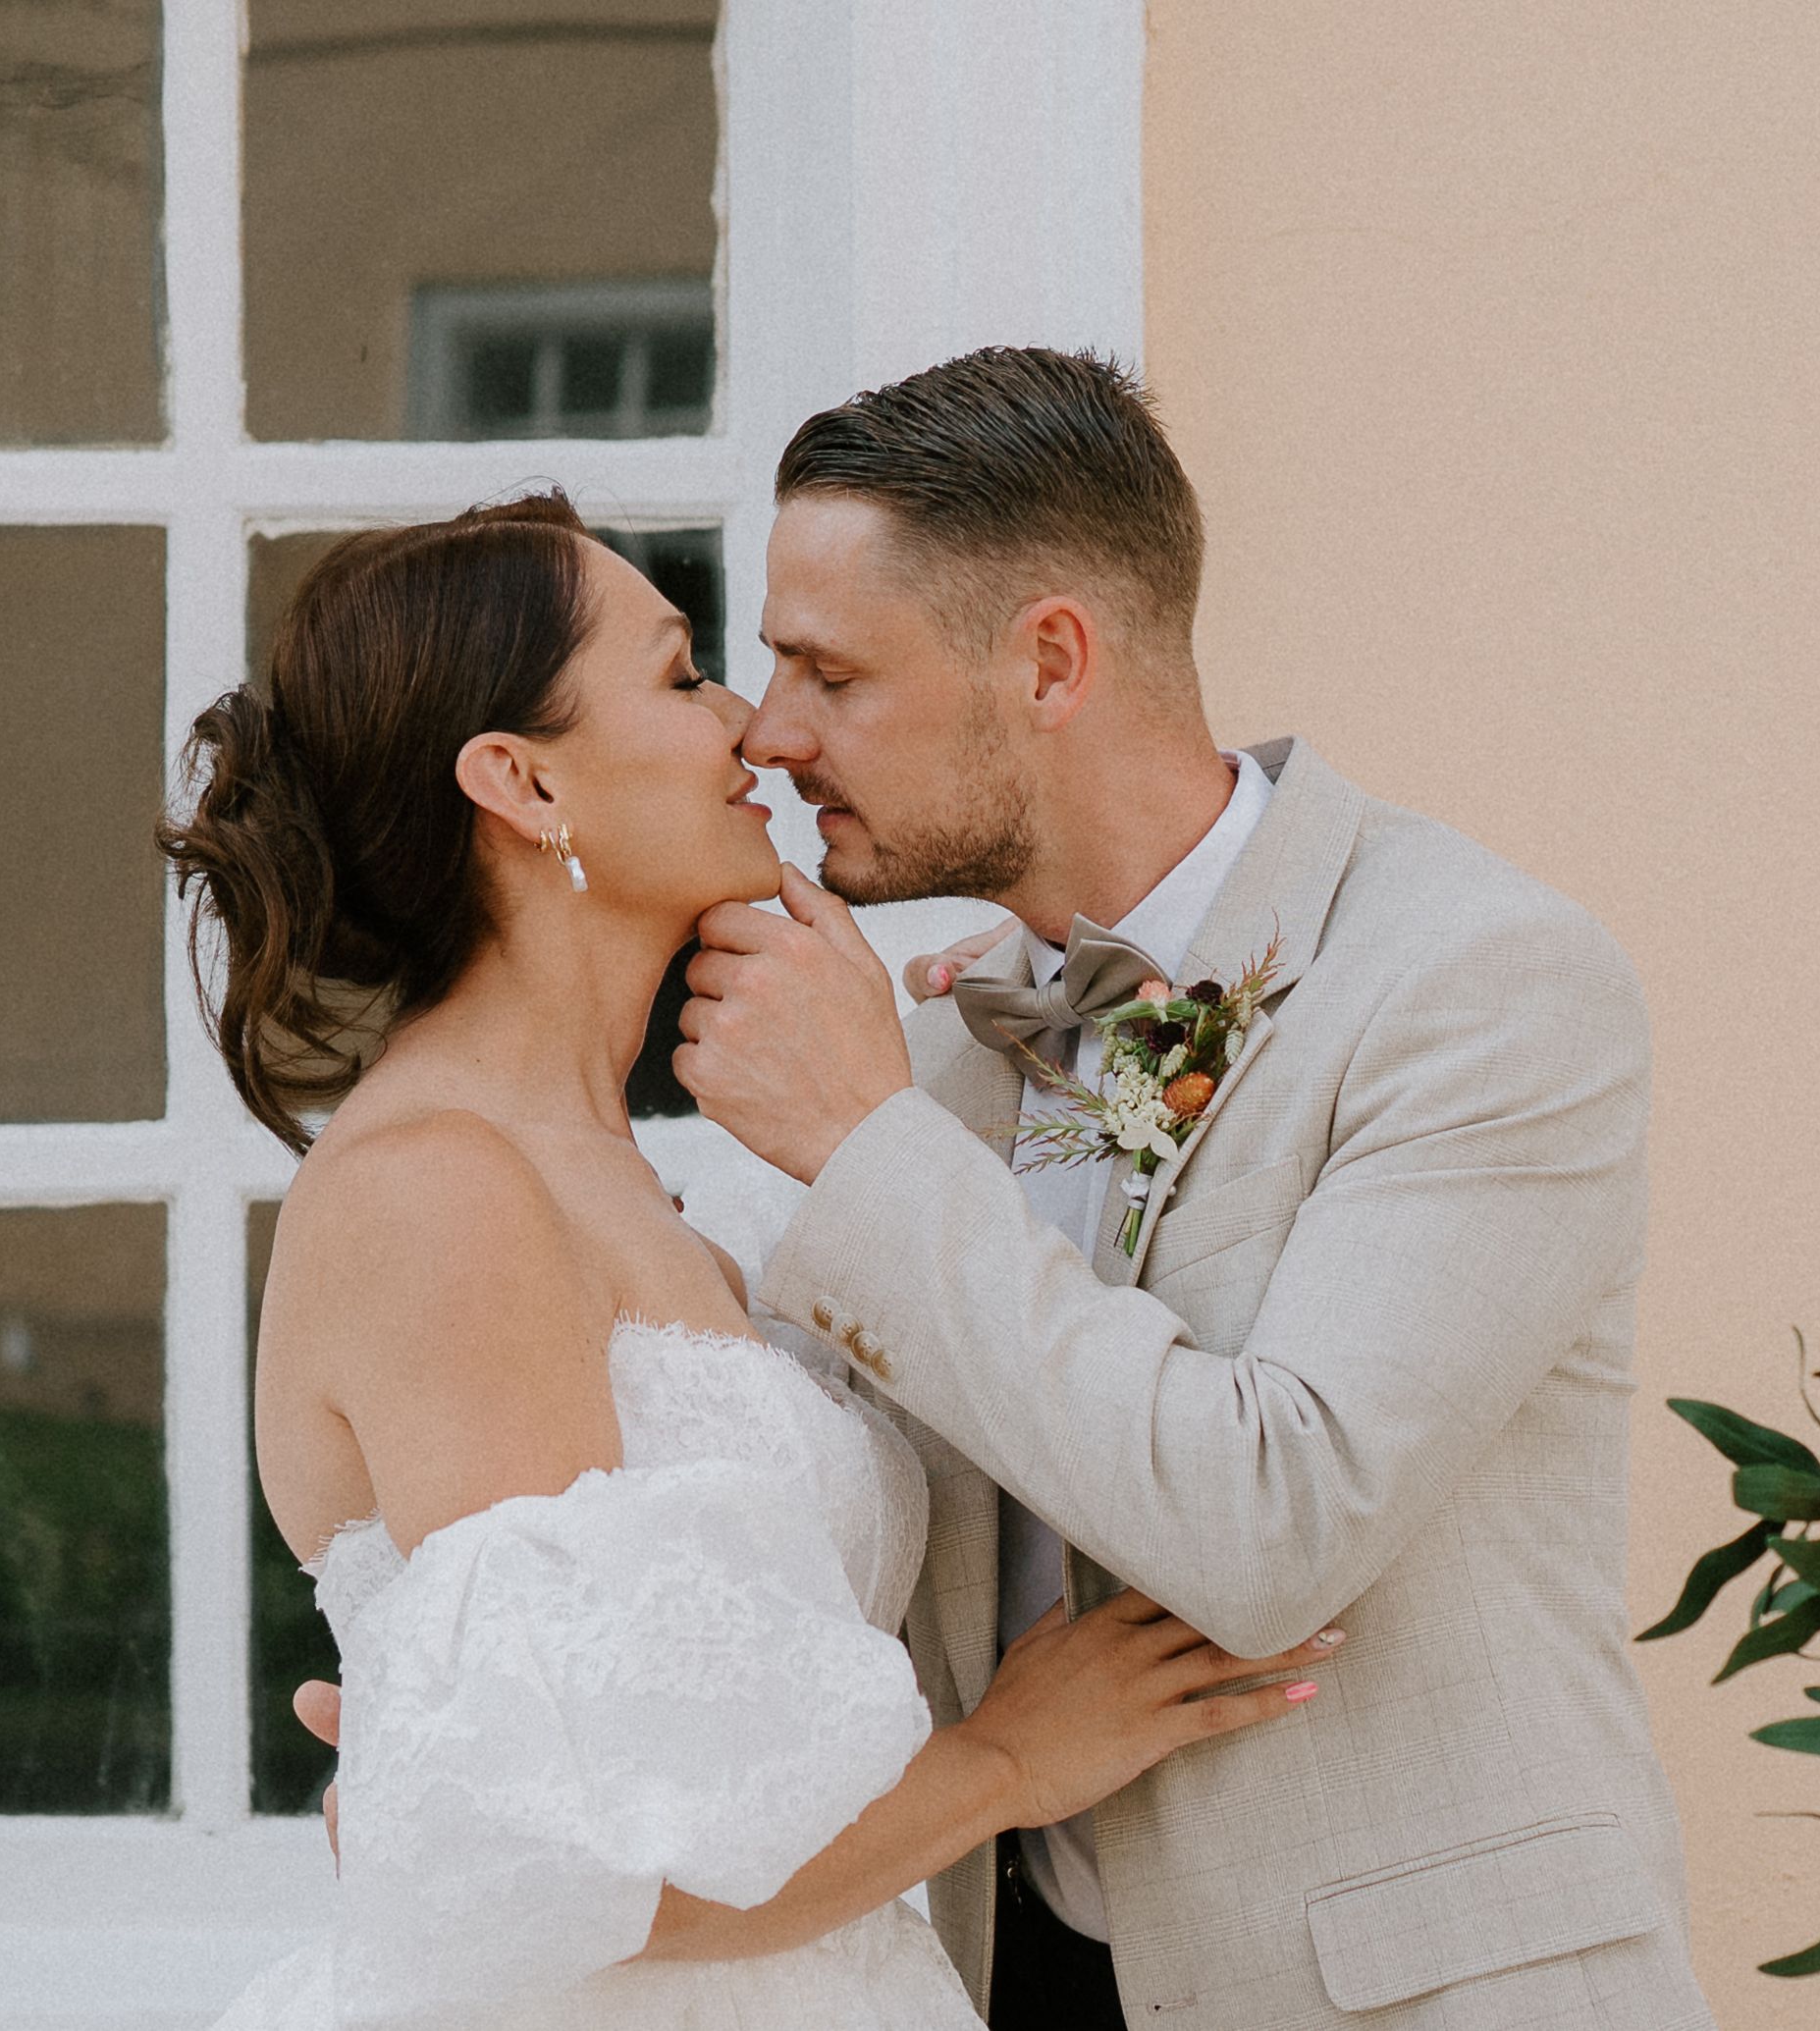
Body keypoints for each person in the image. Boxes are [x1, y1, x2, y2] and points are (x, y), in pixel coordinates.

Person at [172, 491, 1339, 2031]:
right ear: (519, 781)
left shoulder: (657, 1190)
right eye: (677, 677)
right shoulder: (436, 1191)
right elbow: (576, 1885)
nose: (750, 728)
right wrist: (1006, 1759)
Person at [672, 347, 1714, 2029]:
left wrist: (870, 1153)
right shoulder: (941, 1056)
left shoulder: (1479, 982)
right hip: (1002, 1975)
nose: (771, 733)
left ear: (1051, 659)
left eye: (830, 672)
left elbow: (1272, 1526)